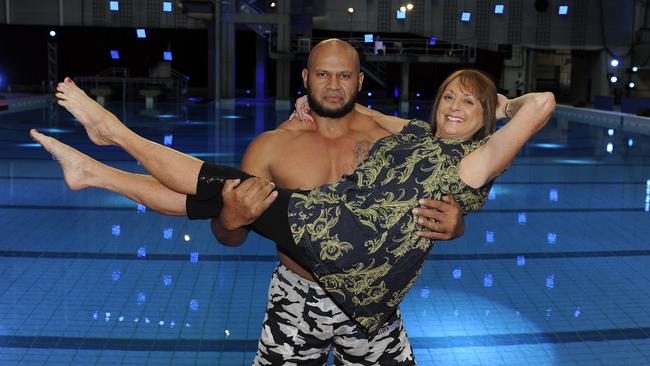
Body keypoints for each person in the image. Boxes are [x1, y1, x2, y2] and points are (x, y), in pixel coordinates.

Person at [30, 68, 555, 336]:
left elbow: (544, 105)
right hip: (338, 233)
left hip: (346, 243)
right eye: (450, 96)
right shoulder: (417, 132)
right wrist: (311, 105)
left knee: (218, 183)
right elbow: (363, 109)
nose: (456, 107)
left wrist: (503, 104)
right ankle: (94, 174)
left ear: (487, 118)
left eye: (470, 102)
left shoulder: (479, 160)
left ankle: (111, 133)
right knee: (218, 198)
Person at [39, 39, 466, 365]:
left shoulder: (392, 141)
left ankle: (100, 162)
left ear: (359, 80)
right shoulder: (272, 147)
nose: (333, 86)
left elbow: (445, 202)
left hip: (373, 300)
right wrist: (231, 216)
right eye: (322, 75)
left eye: (342, 76)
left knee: (207, 187)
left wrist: (455, 223)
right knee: (216, 196)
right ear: (305, 79)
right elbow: (229, 236)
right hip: (299, 298)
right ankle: (98, 163)